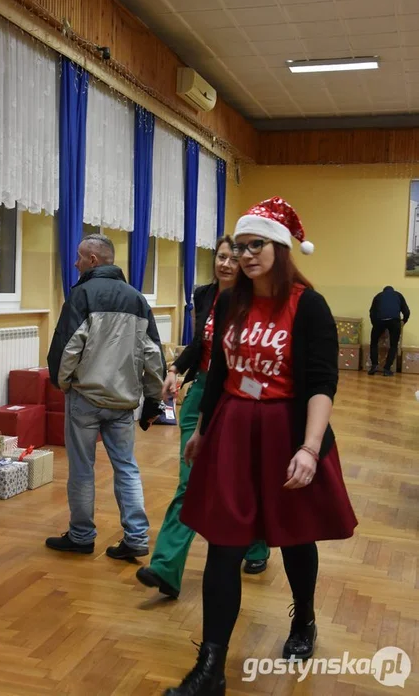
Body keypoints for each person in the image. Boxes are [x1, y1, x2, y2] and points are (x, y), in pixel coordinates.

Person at [163, 198, 358, 696]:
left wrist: (310, 449)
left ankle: (304, 621)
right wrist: (203, 432)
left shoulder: (307, 305)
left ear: (280, 248)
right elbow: (221, 373)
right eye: (240, 246)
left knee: (295, 537)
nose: (246, 255)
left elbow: (321, 382)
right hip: (231, 431)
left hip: (285, 434)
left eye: (257, 245)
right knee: (223, 546)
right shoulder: (231, 302)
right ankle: (210, 670)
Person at [136, 237, 270, 600]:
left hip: (241, 395)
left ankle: (257, 543)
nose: (226, 264)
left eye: (233, 258)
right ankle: (165, 567)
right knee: (189, 480)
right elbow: (199, 343)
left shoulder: (256, 299)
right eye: (221, 257)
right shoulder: (204, 294)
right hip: (202, 392)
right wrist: (176, 369)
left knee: (244, 477)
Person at [46, 234, 165, 559]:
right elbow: (153, 354)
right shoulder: (137, 299)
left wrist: (63, 382)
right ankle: (137, 538)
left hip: (85, 399)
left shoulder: (81, 295)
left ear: (94, 260)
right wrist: (153, 400)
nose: (75, 263)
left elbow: (68, 347)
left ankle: (82, 536)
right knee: (126, 467)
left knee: (82, 470)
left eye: (80, 257)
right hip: (123, 401)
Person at [368, 286, 410, 376]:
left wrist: (375, 324)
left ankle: (374, 365)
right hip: (394, 321)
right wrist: (403, 321)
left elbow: (372, 312)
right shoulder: (398, 295)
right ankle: (387, 369)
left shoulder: (378, 296)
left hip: (379, 321)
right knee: (393, 345)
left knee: (374, 343)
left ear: (383, 291)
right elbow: (406, 311)